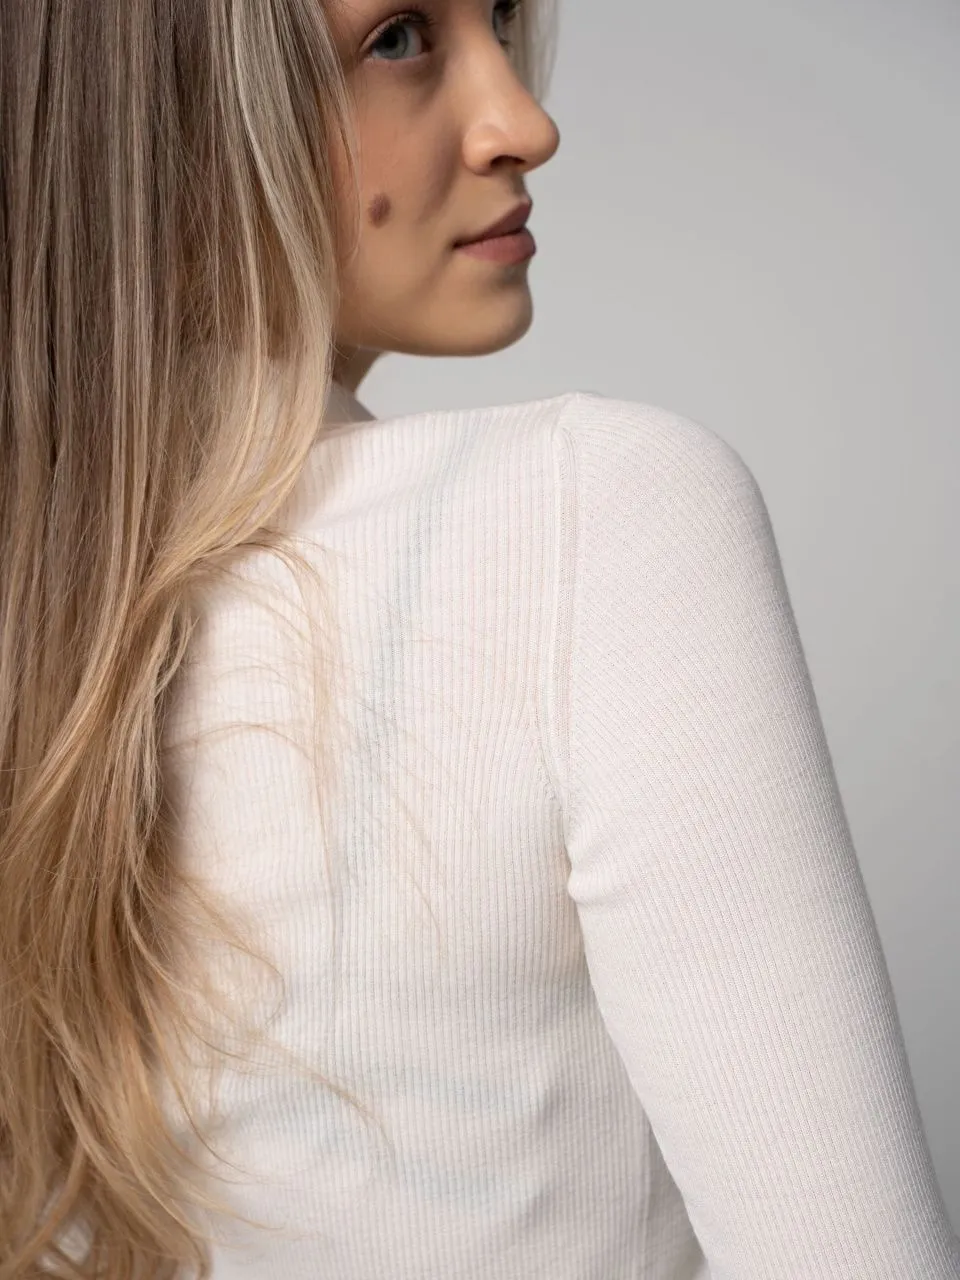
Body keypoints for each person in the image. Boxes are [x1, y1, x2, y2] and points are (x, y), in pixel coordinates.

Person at [1, 1, 957, 1277]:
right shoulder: (592, 514)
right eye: (398, 39)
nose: (526, 123)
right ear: (169, 116)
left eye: (500, 14)